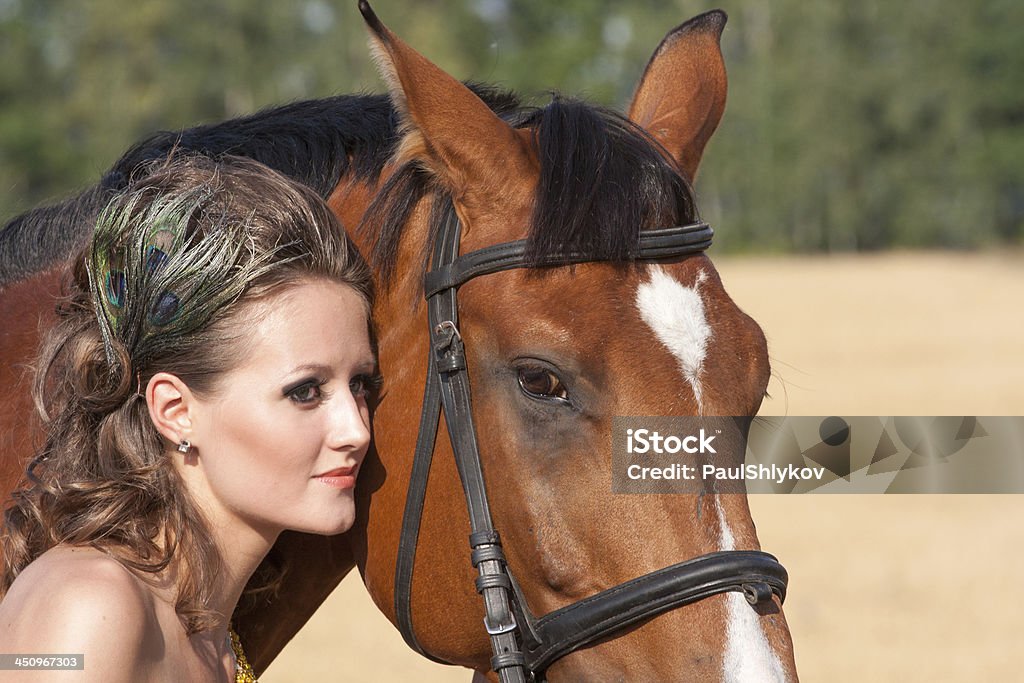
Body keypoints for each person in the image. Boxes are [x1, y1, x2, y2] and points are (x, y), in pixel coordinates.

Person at [0, 156, 377, 682]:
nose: (357, 429)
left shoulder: (214, 636)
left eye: (361, 384)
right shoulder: (87, 604)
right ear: (175, 412)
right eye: (306, 391)